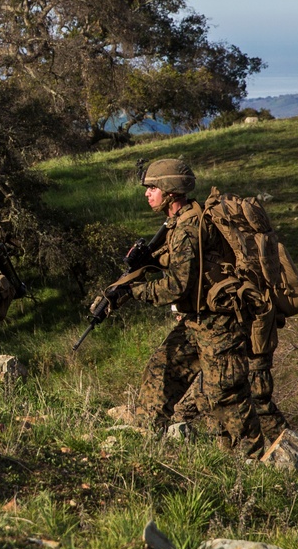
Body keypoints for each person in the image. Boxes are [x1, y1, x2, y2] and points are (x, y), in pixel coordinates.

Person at [104, 159, 264, 455]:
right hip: (196, 321)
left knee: (226, 398)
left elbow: (176, 287)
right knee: (162, 368)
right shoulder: (177, 222)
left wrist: (133, 290)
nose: (146, 193)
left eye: (152, 187)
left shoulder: (188, 228)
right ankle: (146, 438)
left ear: (170, 191)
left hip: (220, 325)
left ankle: (253, 461)